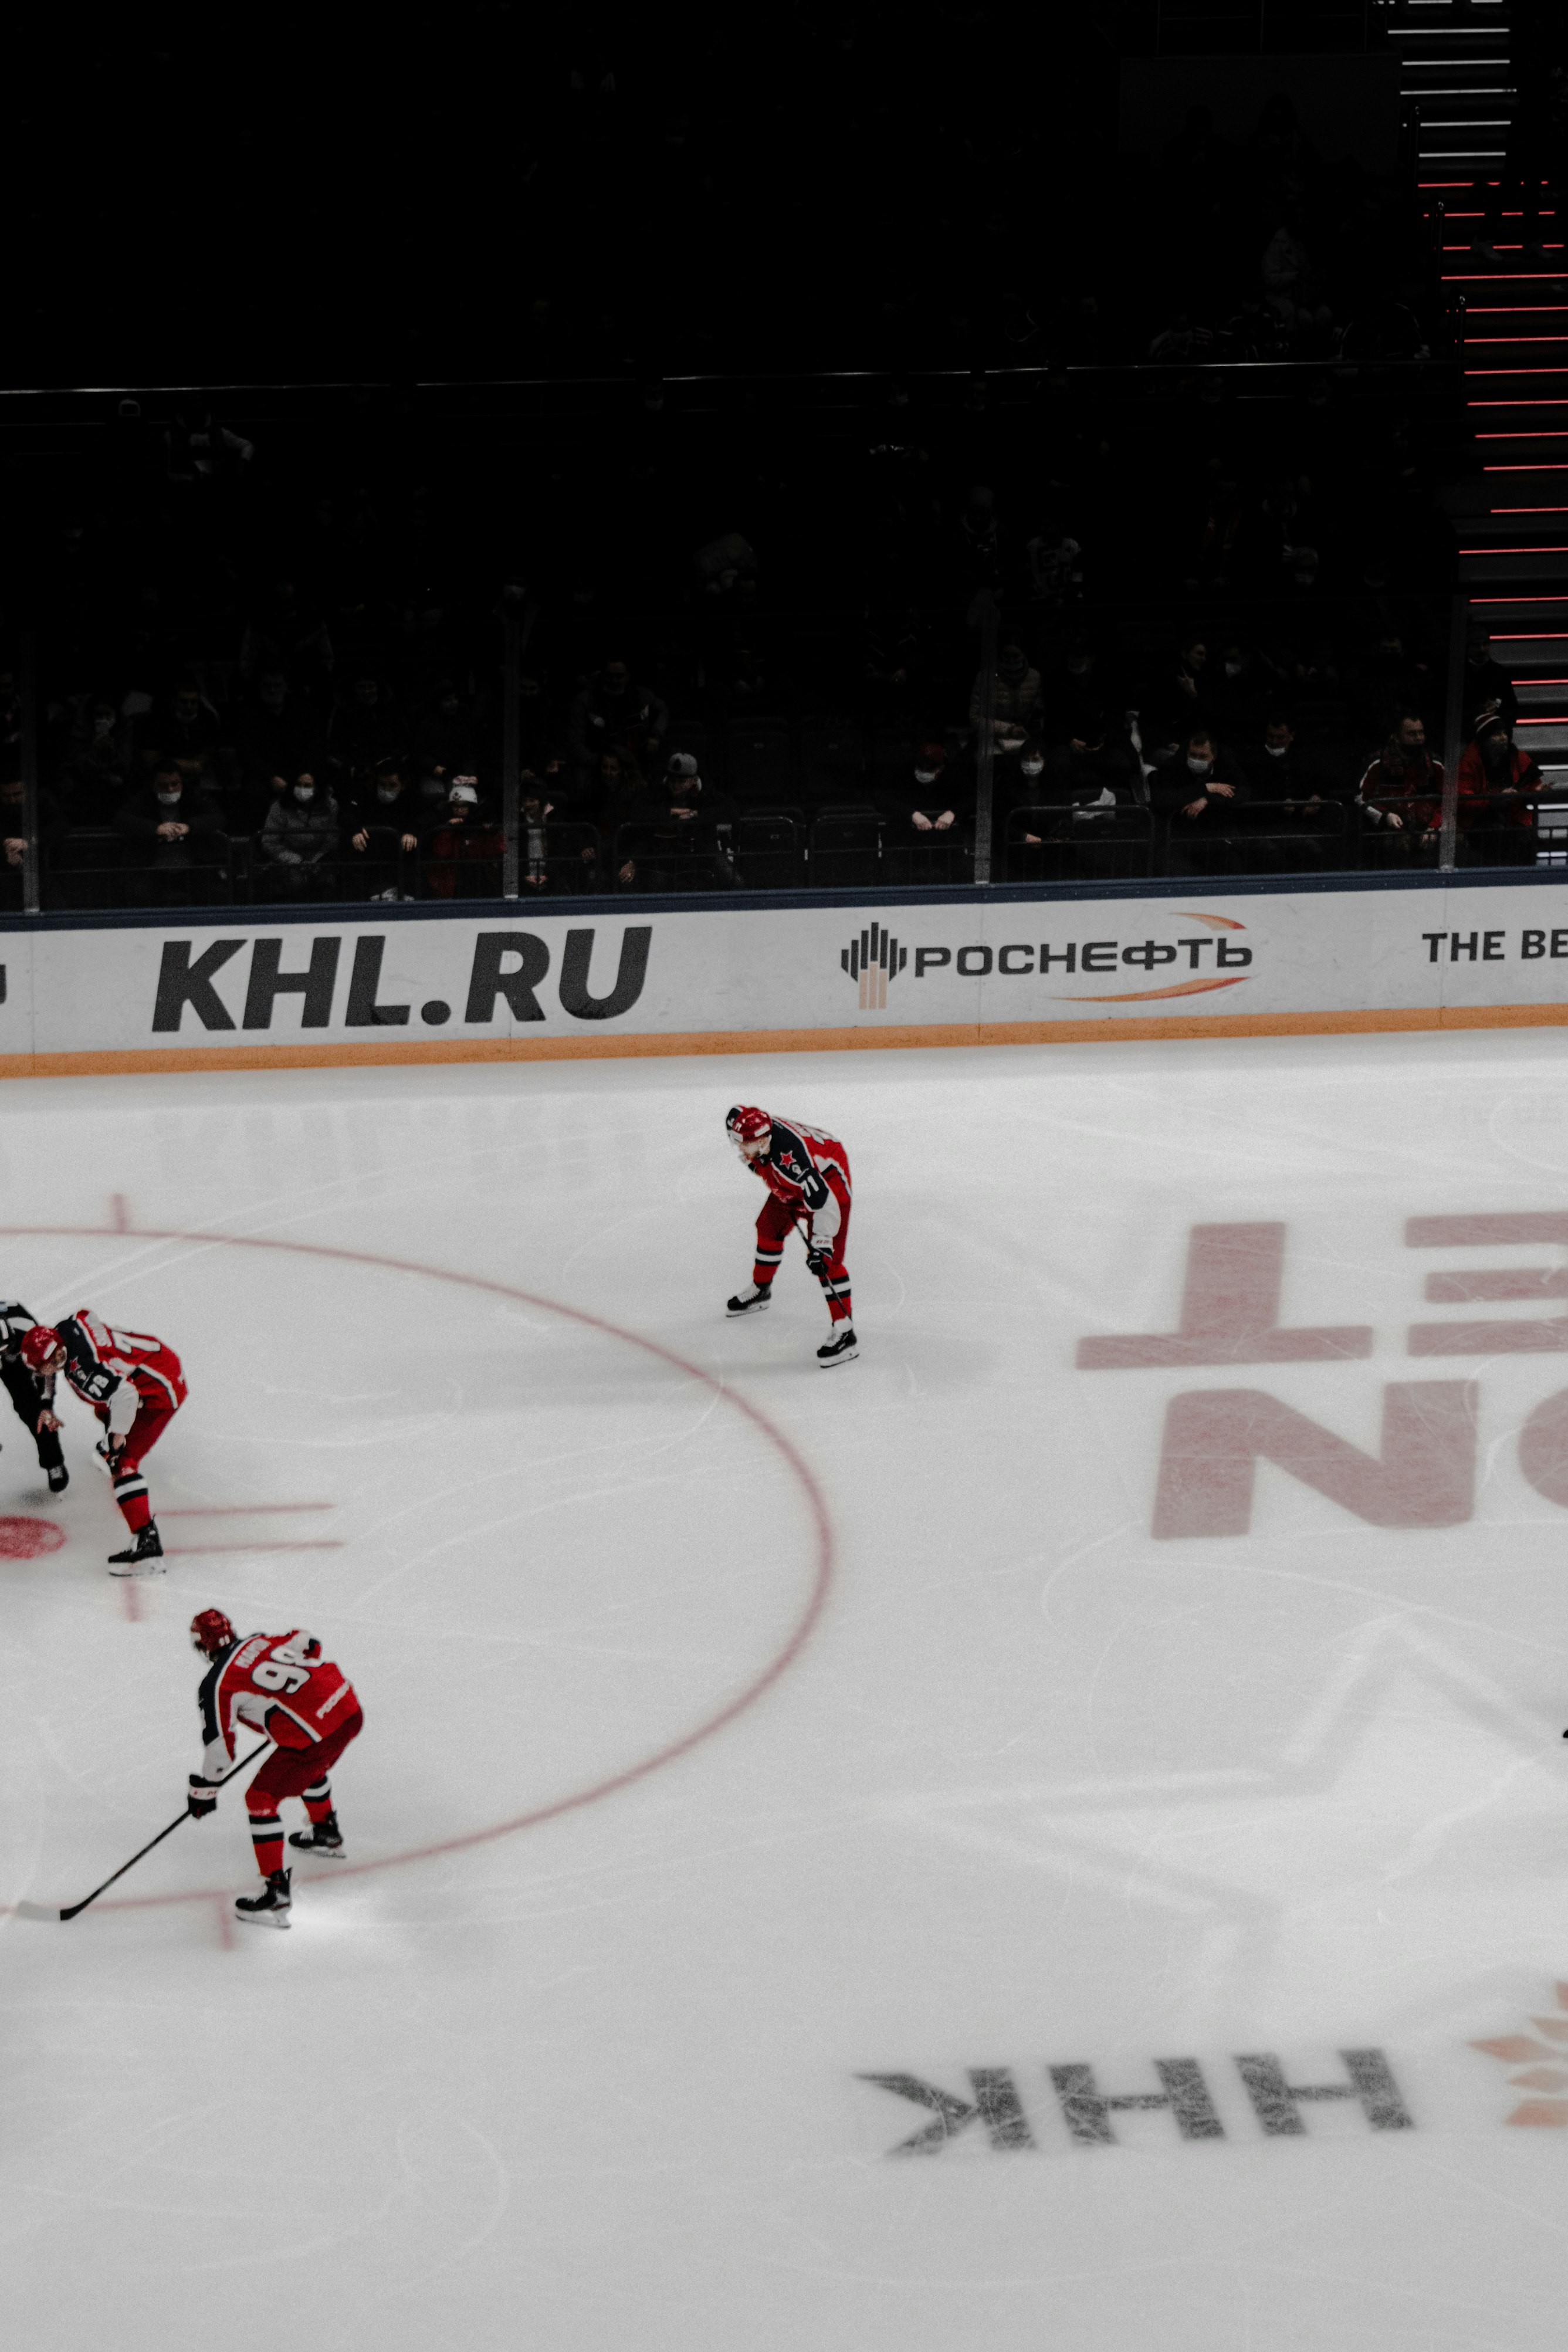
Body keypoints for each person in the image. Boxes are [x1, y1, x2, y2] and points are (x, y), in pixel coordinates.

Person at [187, 1608, 364, 1931]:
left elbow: (220, 1754)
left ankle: (276, 1895)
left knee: (260, 1798)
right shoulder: (258, 1640)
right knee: (301, 1758)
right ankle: (326, 1832)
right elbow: (308, 1642)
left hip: (317, 1737)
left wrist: (204, 1790)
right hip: (349, 1709)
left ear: (203, 1646)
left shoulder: (216, 1685)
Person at [22, 1309, 187, 1571]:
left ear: (58, 1356)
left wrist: (117, 1440)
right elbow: (86, 1316)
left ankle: (147, 1543)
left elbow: (126, 1396)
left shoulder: (82, 1371)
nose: (42, 1374)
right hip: (153, 1359)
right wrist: (46, 1403)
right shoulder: (66, 1329)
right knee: (102, 1405)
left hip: (160, 1390)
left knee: (122, 1464)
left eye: (42, 1368)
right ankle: (113, 1441)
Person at [724, 1105, 856, 1366]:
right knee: (768, 1227)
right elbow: (737, 1116)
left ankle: (845, 1332)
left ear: (762, 1141)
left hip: (829, 1181)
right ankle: (761, 1290)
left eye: (745, 1144)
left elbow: (825, 1204)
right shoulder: (759, 1137)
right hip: (795, 1174)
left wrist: (821, 1245)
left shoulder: (795, 1163)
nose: (740, 1149)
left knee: (828, 1264)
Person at [0, 1302, 67, 1491]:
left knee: (35, 1410)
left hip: (27, 1356)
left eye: (6, 1349)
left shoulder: (28, 1330)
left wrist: (46, 1403)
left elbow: (48, 1368)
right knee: (26, 1405)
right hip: (13, 1360)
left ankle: (54, 1462)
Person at [1356, 712, 1445, 854]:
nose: (1419, 738)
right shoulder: (1378, 762)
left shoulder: (1435, 763)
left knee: (1454, 839)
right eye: (1412, 734)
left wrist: (1434, 828)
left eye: (1421, 733)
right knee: (1397, 844)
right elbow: (1362, 798)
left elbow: (1448, 800)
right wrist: (1386, 816)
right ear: (1397, 738)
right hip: (1392, 829)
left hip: (1427, 827)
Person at [1456, 716, 1542, 864]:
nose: (1503, 738)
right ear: (1484, 739)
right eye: (1497, 734)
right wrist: (1494, 799)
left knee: (1529, 839)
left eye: (1505, 733)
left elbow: (1533, 783)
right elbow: (1464, 799)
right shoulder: (1469, 761)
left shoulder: (1517, 756)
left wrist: (1535, 790)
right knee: (1494, 836)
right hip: (1479, 820)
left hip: (1513, 817)